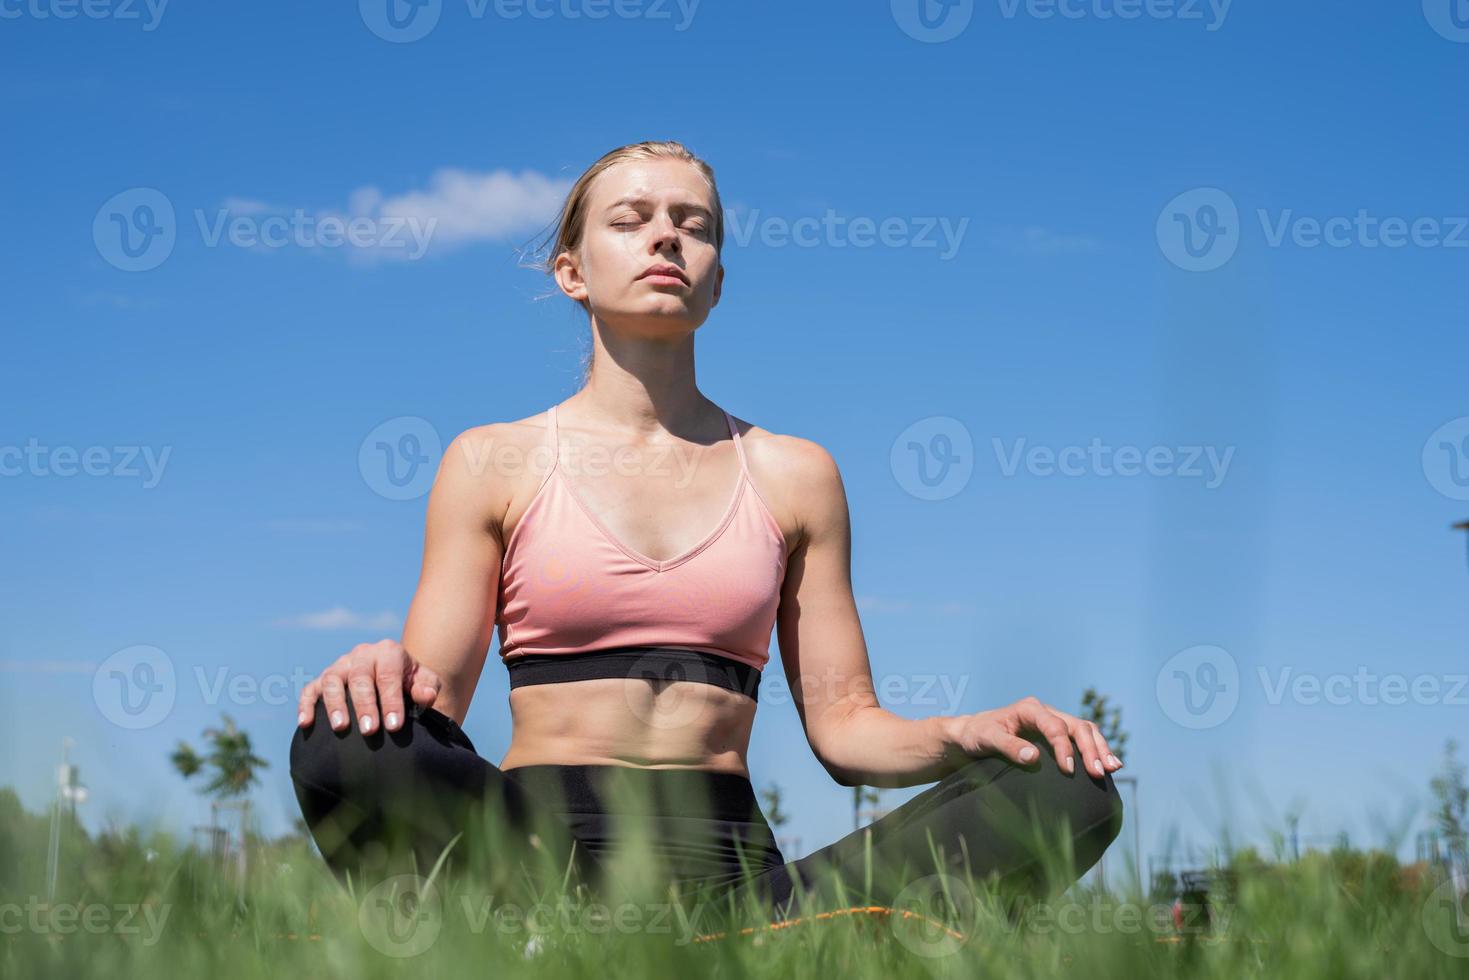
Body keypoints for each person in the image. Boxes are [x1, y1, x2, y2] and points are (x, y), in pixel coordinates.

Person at [288, 139, 1124, 938]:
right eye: (631, 219)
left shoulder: (795, 474)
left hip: (735, 877)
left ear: (716, 281)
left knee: (1067, 791)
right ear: (571, 271)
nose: (665, 236)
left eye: (693, 224)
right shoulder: (491, 460)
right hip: (537, 853)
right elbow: (430, 705)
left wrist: (961, 732)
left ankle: (745, 942)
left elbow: (844, 729)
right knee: (340, 737)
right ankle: (556, 933)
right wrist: (377, 674)